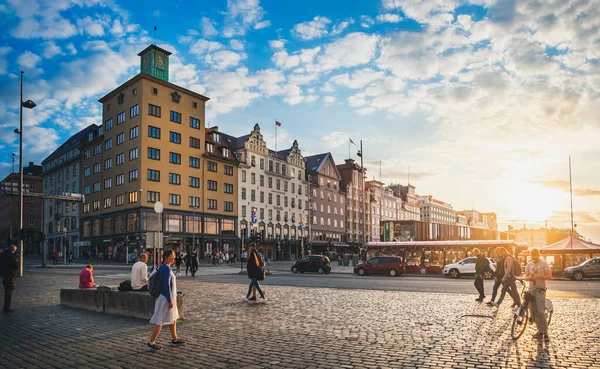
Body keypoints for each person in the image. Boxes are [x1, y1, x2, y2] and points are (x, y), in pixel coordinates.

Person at [147, 249, 185, 350]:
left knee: (173, 318)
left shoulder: (163, 267)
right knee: (159, 321)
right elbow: (166, 286)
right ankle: (151, 342)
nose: (174, 258)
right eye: (172, 256)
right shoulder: (166, 269)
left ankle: (175, 339)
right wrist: (169, 300)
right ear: (166, 257)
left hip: (165, 297)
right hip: (165, 298)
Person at [524, 248, 552, 340]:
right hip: (531, 290)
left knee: (540, 311)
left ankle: (545, 333)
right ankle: (540, 331)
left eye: (535, 256)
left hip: (540, 290)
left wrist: (539, 276)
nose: (534, 258)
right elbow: (526, 276)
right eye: (532, 256)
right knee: (533, 311)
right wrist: (529, 278)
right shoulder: (529, 264)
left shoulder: (544, 264)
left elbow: (549, 276)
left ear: (538, 255)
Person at [1, 245, 18, 313]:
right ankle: (6, 307)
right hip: (10, 275)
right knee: (9, 291)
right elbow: (16, 266)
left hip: (4, 275)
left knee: (7, 290)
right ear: (13, 250)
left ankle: (6, 307)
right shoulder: (11, 255)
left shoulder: (3, 255)